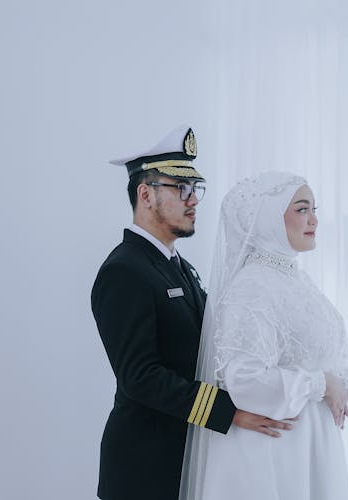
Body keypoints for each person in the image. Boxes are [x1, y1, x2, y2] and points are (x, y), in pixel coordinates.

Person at [92, 127, 292, 500]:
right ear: (146, 194)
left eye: (195, 189)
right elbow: (141, 377)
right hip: (144, 468)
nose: (193, 200)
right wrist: (228, 412)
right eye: (180, 187)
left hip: (184, 456)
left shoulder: (176, 266)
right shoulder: (124, 271)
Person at [180, 171, 348, 500]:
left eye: (315, 209)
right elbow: (244, 378)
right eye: (302, 209)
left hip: (312, 447)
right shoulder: (253, 287)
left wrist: (340, 383)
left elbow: (327, 354)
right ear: (268, 218)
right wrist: (322, 384)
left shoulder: (297, 281)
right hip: (275, 455)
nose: (313, 219)